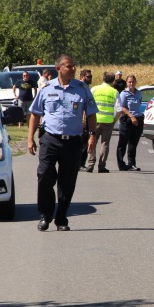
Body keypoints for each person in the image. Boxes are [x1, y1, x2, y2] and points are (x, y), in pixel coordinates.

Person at [27, 54, 98, 231]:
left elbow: (91, 114)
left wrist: (92, 136)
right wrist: (30, 138)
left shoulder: (82, 89)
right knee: (44, 176)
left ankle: (61, 218)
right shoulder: (46, 88)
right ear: (58, 68)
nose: (73, 69)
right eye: (69, 66)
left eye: (74, 66)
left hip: (73, 142)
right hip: (50, 139)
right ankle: (45, 215)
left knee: (67, 182)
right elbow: (35, 113)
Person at [88, 71, 119, 173]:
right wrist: (114, 121)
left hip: (94, 120)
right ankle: (101, 166)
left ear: (103, 79)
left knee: (92, 141)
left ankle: (90, 164)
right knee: (104, 144)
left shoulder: (94, 89)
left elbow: (88, 104)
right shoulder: (114, 92)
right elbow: (119, 109)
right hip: (108, 121)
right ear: (113, 81)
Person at [115, 74, 144, 171]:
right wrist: (131, 116)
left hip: (138, 119)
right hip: (127, 119)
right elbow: (122, 107)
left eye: (133, 82)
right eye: (129, 82)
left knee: (133, 143)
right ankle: (121, 164)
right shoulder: (124, 93)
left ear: (135, 82)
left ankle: (132, 164)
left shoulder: (139, 93)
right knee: (123, 143)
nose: (131, 83)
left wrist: (138, 118)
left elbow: (139, 105)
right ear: (127, 83)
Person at [78, 69, 94, 170]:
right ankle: (80, 164)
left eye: (90, 76)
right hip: (82, 120)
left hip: (86, 119)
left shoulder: (87, 87)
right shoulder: (81, 87)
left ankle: (80, 163)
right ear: (82, 77)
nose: (90, 78)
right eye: (88, 77)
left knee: (84, 141)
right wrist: (83, 120)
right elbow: (82, 105)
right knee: (83, 142)